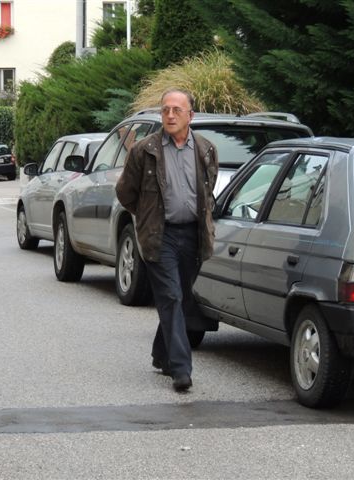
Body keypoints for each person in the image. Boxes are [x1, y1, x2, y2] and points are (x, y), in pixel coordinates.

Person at [115, 88, 218, 392]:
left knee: (181, 297)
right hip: (161, 236)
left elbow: (208, 189)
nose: (170, 115)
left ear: (191, 116)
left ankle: (162, 353)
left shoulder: (206, 149)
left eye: (176, 110)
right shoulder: (144, 150)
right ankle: (181, 369)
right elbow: (125, 193)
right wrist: (148, 217)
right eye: (165, 110)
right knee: (171, 297)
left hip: (194, 234)